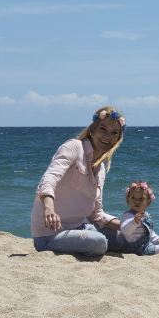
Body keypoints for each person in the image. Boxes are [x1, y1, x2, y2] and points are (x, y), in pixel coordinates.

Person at [31, 106, 125, 256]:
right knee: (99, 242)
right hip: (49, 235)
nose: (108, 136)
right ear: (93, 129)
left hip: (81, 228)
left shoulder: (100, 169)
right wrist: (49, 208)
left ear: (118, 138)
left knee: (129, 238)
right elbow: (50, 178)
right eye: (103, 129)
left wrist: (127, 225)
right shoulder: (73, 147)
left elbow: (96, 215)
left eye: (114, 133)